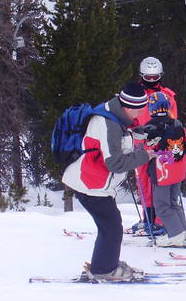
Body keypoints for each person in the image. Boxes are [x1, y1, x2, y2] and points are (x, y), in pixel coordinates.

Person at [62, 82, 156, 281]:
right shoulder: (108, 123)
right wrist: (144, 156)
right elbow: (114, 162)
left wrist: (142, 139)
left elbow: (119, 145)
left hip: (97, 184)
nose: (141, 113)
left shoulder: (117, 116)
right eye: (139, 109)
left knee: (111, 226)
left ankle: (105, 264)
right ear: (128, 106)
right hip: (90, 184)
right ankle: (104, 270)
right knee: (111, 227)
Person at [127, 57, 178, 236]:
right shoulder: (135, 94)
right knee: (143, 183)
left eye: (154, 77)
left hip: (160, 146)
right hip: (140, 145)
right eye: (148, 78)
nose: (151, 81)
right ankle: (147, 218)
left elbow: (172, 120)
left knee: (159, 183)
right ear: (142, 76)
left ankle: (160, 221)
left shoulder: (168, 96)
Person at [141, 91, 186, 247]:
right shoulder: (177, 123)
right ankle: (183, 231)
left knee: (162, 205)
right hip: (178, 169)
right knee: (173, 202)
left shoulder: (151, 127)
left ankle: (175, 235)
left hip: (162, 171)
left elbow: (146, 148)